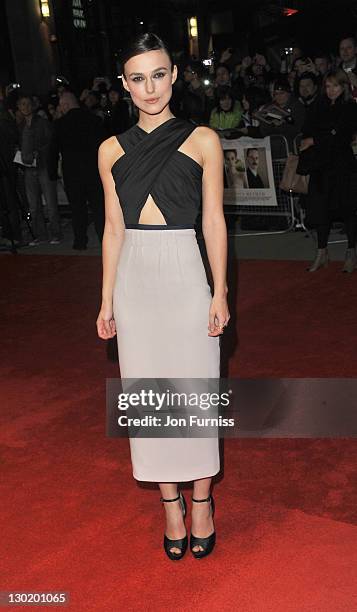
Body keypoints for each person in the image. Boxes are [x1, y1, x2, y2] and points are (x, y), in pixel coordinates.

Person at [96, 32, 229, 560]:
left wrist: (220, 291)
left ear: (174, 76)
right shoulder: (110, 150)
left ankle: (201, 500)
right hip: (135, 280)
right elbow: (112, 230)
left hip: (183, 271)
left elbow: (215, 221)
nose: (149, 87)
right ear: (125, 86)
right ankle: (168, 502)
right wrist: (106, 300)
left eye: (158, 74)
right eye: (137, 78)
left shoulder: (202, 140)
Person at [299, 69, 357, 272]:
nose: (331, 90)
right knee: (320, 210)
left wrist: (317, 139)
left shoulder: (350, 107)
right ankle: (321, 252)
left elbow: (340, 135)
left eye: (336, 86)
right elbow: (307, 129)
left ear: (344, 87)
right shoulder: (318, 105)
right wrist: (320, 137)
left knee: (348, 210)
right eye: (328, 86)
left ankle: (351, 252)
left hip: (343, 166)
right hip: (321, 166)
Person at [49, 92, 106, 250]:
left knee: (77, 208)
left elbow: (53, 150)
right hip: (94, 171)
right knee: (99, 208)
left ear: (66, 105)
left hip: (72, 173)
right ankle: (104, 239)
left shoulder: (60, 124)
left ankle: (80, 241)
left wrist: (52, 172)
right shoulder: (94, 120)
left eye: (61, 105)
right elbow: (105, 145)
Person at [16, 94, 62, 245]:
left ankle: (56, 234)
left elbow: (51, 142)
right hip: (28, 168)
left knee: (50, 203)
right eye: (22, 104)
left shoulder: (42, 122)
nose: (25, 107)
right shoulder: (20, 124)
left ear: (33, 106)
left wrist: (39, 152)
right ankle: (40, 235)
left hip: (42, 166)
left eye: (27, 104)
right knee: (34, 205)